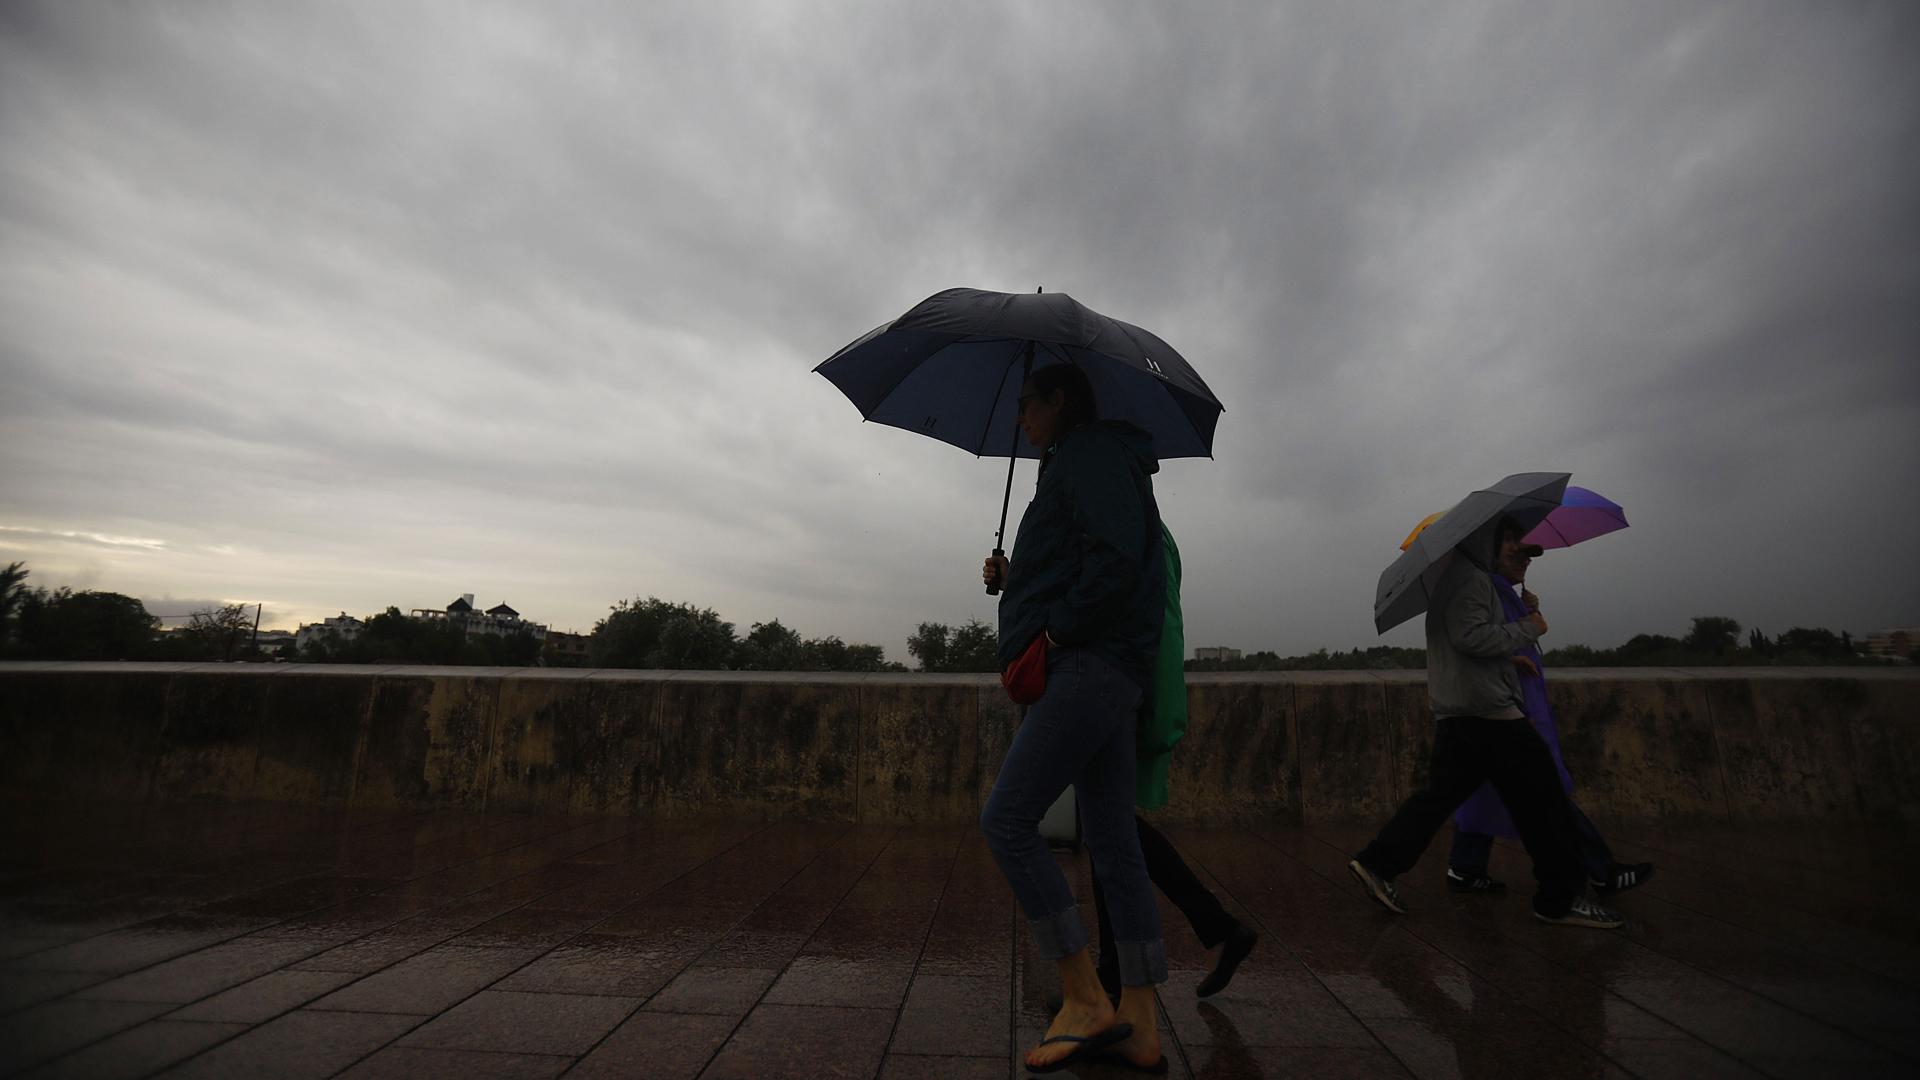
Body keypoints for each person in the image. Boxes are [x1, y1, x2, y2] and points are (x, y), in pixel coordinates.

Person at [979, 361, 1168, 1073]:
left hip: (1085, 668)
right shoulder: (1093, 460)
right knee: (1115, 840)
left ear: (1059, 401)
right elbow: (1086, 556)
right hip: (1110, 670)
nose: (1020, 419)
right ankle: (1141, 1017)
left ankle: (1084, 993)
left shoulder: (1087, 455)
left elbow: (1114, 563)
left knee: (1006, 820)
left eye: (1027, 404)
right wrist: (1014, 579)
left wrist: (1055, 632)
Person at [1347, 517, 1625, 929]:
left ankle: (1378, 862)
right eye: (1507, 537)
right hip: (1489, 712)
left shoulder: (1452, 579)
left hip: (1460, 708)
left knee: (1437, 798)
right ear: (1483, 540)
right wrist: (1529, 628)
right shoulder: (1473, 580)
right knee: (1544, 800)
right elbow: (1470, 637)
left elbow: (1462, 641)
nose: (1515, 546)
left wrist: (1506, 654)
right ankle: (1559, 897)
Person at [1446, 538, 1654, 897]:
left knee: (1485, 787)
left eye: (1528, 555)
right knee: (1547, 793)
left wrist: (1527, 613)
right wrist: (1527, 633)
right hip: (1512, 709)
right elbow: (1473, 643)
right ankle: (1599, 870)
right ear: (1491, 556)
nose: (1525, 561)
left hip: (1506, 707)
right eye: (1516, 554)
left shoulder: (1500, 592)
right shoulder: (1488, 592)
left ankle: (1465, 866)